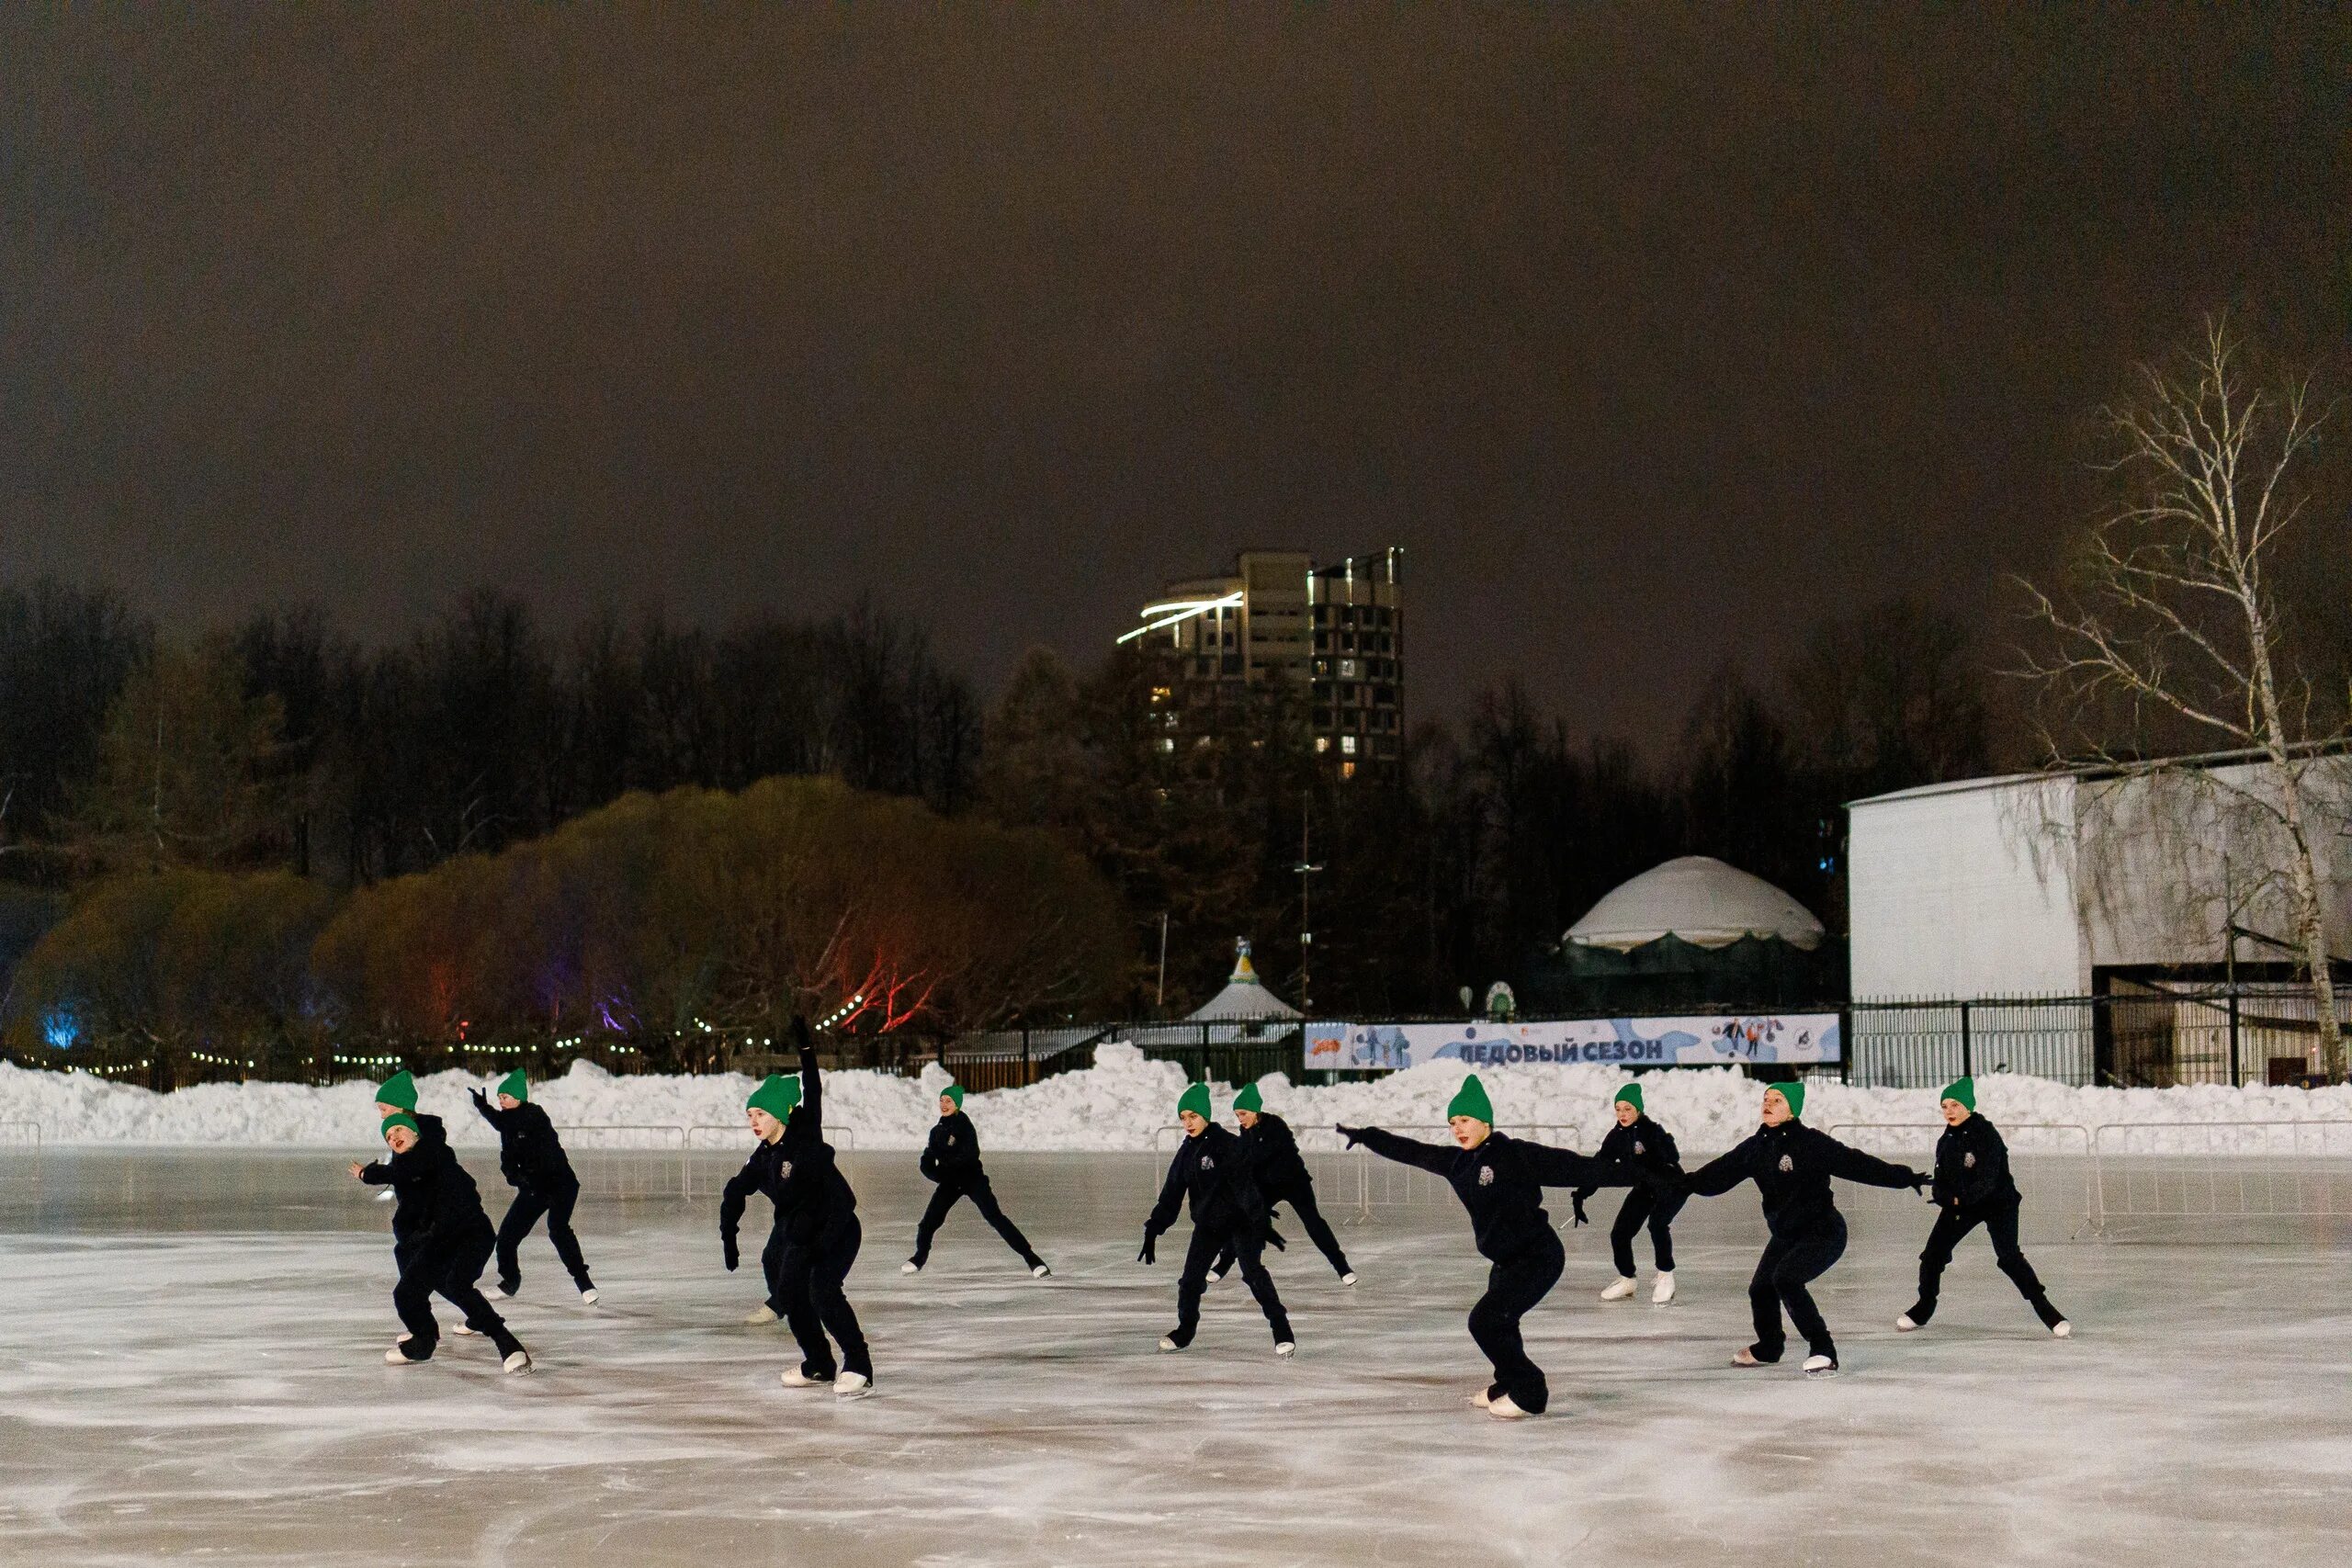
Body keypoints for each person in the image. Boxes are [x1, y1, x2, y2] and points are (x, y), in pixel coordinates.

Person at [1340, 1075, 1627, 1419]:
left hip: (1538, 1256)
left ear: (1485, 1121)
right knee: (1502, 1323)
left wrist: (1648, 1175)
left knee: (1486, 1321)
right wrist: (1367, 1136)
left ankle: (1530, 1391)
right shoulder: (1459, 1162)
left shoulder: (1513, 1154)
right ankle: (1506, 1383)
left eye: (1465, 1120)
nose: (1458, 1128)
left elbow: (1577, 1167)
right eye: (1452, 1122)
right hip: (1505, 1260)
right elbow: (1413, 1151)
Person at [1681, 1079, 1927, 1376]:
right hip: (1786, 1234)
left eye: (1778, 1100)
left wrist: (1904, 1177)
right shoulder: (1756, 1146)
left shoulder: (1810, 1143)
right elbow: (1718, 1175)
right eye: (1766, 1098)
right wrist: (1682, 1184)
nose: (1768, 1104)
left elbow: (1857, 1164)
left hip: (1823, 1231)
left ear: (1792, 1111)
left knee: (1786, 1279)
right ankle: (1770, 1347)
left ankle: (1824, 1349)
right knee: (1761, 1289)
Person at [720, 1017, 873, 1398]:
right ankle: (819, 1364)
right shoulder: (763, 1156)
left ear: (781, 1115)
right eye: (750, 1115)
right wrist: (729, 1233)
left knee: (822, 1289)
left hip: (837, 1226)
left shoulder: (806, 1139)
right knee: (791, 1295)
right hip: (801, 1233)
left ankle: (860, 1365)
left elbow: (813, 1089)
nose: (754, 1121)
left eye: (761, 1114)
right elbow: (737, 1189)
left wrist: (806, 1050)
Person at [353, 1111, 533, 1374]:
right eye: (389, 1137)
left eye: (399, 1130)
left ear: (415, 1132)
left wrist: (369, 1174)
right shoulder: (406, 1171)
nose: (394, 1138)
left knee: (457, 1285)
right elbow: (407, 1208)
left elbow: (411, 1167)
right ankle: (424, 1340)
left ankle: (508, 1345)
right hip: (439, 1240)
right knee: (406, 1291)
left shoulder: (434, 1151)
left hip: (471, 1232)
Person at [1897, 1077, 2072, 1338]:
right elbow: (1941, 1179)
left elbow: (1988, 1179)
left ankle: (2047, 1311)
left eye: (1955, 1105)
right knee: (1933, 1255)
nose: (1949, 1112)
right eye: (1944, 1106)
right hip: (1962, 1206)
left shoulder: (1986, 1134)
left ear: (1968, 1106)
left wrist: (1957, 1200)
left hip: (1998, 1204)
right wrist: (1944, 1195)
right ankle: (1924, 1308)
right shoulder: (1946, 1140)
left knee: (2009, 1257)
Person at [1140, 1083, 1295, 1358]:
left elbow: (1247, 1186)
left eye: (1193, 1116)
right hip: (1208, 1226)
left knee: (1253, 1274)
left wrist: (1260, 1221)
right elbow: (1172, 1192)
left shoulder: (1227, 1144)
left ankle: (1281, 1328)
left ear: (1206, 1115)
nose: (1187, 1123)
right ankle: (1185, 1331)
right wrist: (1154, 1227)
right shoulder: (1186, 1151)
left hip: (1240, 1222)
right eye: (1183, 1118)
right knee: (1189, 1281)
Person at [469, 1069, 598, 1304]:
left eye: (505, 1097)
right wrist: (516, 1177)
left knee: (558, 1229)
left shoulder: (534, 1115)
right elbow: (507, 1154)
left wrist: (486, 1109)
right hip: (534, 1189)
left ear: (519, 1098)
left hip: (560, 1184)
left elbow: (508, 1123)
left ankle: (584, 1284)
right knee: (507, 1237)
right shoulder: (508, 1125)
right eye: (499, 1098)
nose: (501, 1101)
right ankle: (510, 1282)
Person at [1209, 1081, 1354, 1286]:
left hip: (1294, 1182)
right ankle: (1222, 1265)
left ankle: (1342, 1267)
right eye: (1237, 1115)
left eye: (1243, 1114)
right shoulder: (1247, 1132)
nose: (1240, 1119)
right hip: (1268, 1187)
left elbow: (1261, 1154)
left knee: (1313, 1222)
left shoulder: (1275, 1125)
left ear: (1254, 1110)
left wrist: (1243, 1160)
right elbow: (1244, 1160)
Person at [902, 1082, 1049, 1278]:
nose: (944, 1104)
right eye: (942, 1100)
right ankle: (919, 1258)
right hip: (950, 1182)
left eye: (949, 1101)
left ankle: (1032, 1259)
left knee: (995, 1218)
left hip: (973, 1179)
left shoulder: (965, 1126)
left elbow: (969, 1154)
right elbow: (928, 1158)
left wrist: (945, 1165)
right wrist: (934, 1172)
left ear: (958, 1104)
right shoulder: (936, 1131)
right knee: (928, 1223)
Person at [1573, 1082, 1685, 1304]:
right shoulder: (1615, 1136)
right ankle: (1627, 1279)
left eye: (1627, 1109)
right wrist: (1581, 1194)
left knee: (1657, 1225)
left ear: (1638, 1110)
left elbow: (1672, 1158)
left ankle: (1666, 1276)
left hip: (1671, 1186)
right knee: (1620, 1233)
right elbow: (1600, 1167)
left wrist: (1657, 1156)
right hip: (1645, 1189)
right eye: (1618, 1109)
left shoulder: (1652, 1130)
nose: (1622, 1114)